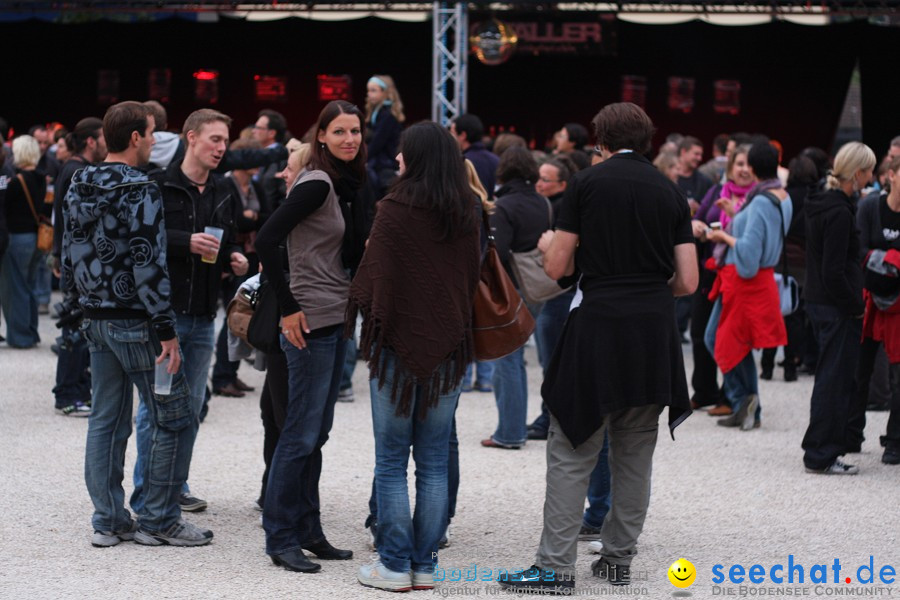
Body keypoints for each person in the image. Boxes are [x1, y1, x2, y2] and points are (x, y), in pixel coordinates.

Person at [499, 102, 697, 592]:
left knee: (571, 447)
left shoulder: (585, 185)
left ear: (600, 140)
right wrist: (647, 292)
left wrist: (548, 246)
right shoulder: (671, 192)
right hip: (652, 332)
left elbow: (557, 267)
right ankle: (617, 560)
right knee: (635, 450)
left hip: (599, 325)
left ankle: (553, 569)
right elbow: (688, 280)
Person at [62, 100, 211, 547]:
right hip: (136, 323)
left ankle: (108, 519)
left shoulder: (78, 181)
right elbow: (149, 263)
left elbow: (70, 254)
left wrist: (79, 306)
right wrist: (166, 330)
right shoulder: (139, 187)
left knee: (106, 420)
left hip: (95, 318)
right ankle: (159, 519)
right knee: (174, 415)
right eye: (150, 133)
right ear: (134, 138)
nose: (153, 141)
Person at [351, 121, 480, 592]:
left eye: (404, 153)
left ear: (418, 157)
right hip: (449, 347)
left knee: (390, 461)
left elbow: (372, 283)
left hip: (393, 350)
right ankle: (423, 566)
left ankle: (392, 565)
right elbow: (467, 280)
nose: (398, 159)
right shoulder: (468, 211)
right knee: (432, 461)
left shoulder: (394, 209)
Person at [255, 100, 371, 573]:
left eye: (356, 131)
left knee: (314, 434)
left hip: (332, 317)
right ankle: (280, 536)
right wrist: (288, 308)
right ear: (320, 135)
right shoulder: (317, 182)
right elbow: (265, 240)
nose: (349, 139)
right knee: (298, 435)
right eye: (339, 131)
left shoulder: (339, 183)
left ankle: (308, 529)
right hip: (309, 319)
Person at [131, 109, 249, 516]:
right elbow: (142, 243)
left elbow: (228, 238)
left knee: (192, 409)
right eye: (214, 139)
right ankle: (147, 494)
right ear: (191, 137)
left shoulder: (223, 190)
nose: (221, 148)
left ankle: (175, 486)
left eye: (225, 141)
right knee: (156, 407)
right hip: (166, 316)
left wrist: (235, 256)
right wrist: (186, 242)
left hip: (203, 316)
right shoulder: (158, 186)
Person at [704, 143, 793, 431]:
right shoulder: (781, 195)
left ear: (753, 169)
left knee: (722, 341)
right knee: (731, 343)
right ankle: (746, 404)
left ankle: (745, 400)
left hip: (745, 281)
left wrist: (723, 237)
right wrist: (735, 212)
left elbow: (749, 255)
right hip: (755, 282)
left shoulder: (760, 202)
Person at [802, 141, 876, 475]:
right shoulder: (837, 211)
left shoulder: (823, 203)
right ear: (858, 173)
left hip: (822, 302)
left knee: (830, 377)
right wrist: (854, 305)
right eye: (870, 170)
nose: (873, 176)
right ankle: (821, 452)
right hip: (836, 306)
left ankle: (822, 448)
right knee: (834, 379)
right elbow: (834, 268)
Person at [482, 146, 547, 450]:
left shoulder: (503, 206)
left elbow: (499, 253)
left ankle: (509, 431)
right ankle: (514, 425)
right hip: (538, 286)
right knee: (516, 357)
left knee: (506, 358)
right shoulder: (543, 202)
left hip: (511, 287)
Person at [689, 144, 754, 415]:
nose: (744, 169)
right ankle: (704, 391)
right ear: (730, 167)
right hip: (710, 270)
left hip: (737, 275)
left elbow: (751, 237)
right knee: (699, 333)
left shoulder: (756, 199)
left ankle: (731, 396)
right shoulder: (717, 191)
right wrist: (697, 227)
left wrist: (731, 219)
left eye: (749, 165)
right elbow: (698, 219)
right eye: (739, 164)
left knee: (727, 336)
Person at [51, 117, 108, 416]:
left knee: (79, 330)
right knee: (75, 330)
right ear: (90, 141)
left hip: (73, 258)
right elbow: (69, 222)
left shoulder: (73, 168)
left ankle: (75, 389)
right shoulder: (77, 171)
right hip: (77, 261)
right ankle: (67, 394)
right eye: (103, 138)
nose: (107, 144)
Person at [210, 137, 271, 398]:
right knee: (233, 318)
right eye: (254, 158)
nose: (259, 164)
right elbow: (233, 222)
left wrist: (252, 218)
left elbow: (269, 216)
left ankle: (230, 374)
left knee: (242, 318)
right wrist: (250, 221)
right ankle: (222, 376)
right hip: (231, 258)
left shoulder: (256, 187)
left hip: (250, 258)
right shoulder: (226, 183)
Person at [853, 155, 900, 465]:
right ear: (891, 175)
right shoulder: (870, 206)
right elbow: (857, 248)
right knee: (860, 370)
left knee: (898, 377)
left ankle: (894, 441)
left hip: (898, 305)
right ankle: (850, 433)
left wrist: (881, 258)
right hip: (869, 298)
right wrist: (892, 260)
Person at [0, 135, 49, 348]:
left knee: (16, 289)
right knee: (29, 287)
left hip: (17, 238)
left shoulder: (17, 181)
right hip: (35, 237)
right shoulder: (40, 177)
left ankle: (20, 337)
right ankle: (31, 331)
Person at [364, 74, 404, 196]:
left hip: (386, 165)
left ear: (385, 92)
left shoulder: (387, 115)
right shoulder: (377, 113)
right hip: (379, 163)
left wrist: (363, 158)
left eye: (373, 90)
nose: (369, 94)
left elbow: (378, 141)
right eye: (369, 91)